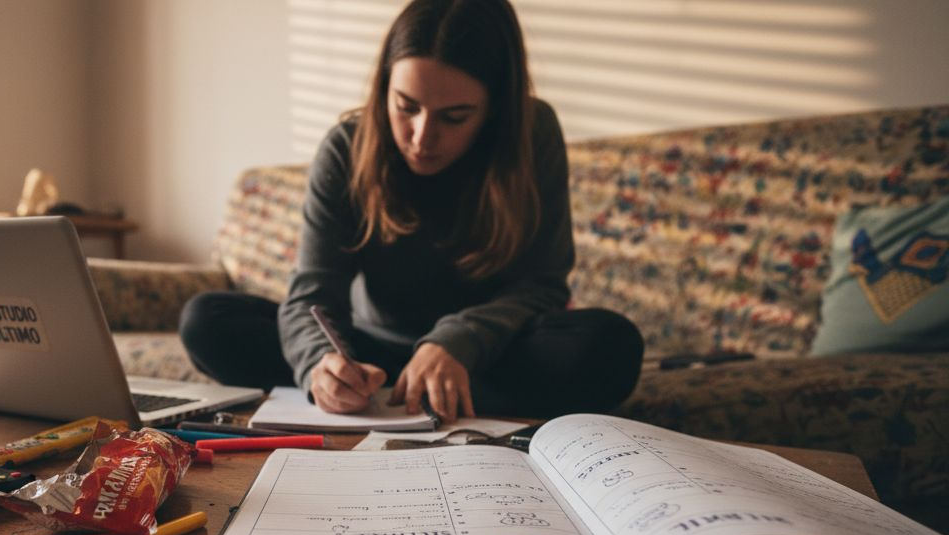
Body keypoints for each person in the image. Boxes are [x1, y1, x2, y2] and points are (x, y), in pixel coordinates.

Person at [180, 0, 643, 422]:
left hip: (487, 353)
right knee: (207, 319)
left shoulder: (533, 135)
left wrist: (455, 343)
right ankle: (416, 396)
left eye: (454, 117)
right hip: (370, 357)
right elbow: (313, 295)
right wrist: (321, 364)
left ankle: (423, 394)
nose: (422, 138)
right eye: (406, 107)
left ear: (496, 109)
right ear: (385, 87)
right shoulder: (346, 148)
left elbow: (542, 285)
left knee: (610, 345)